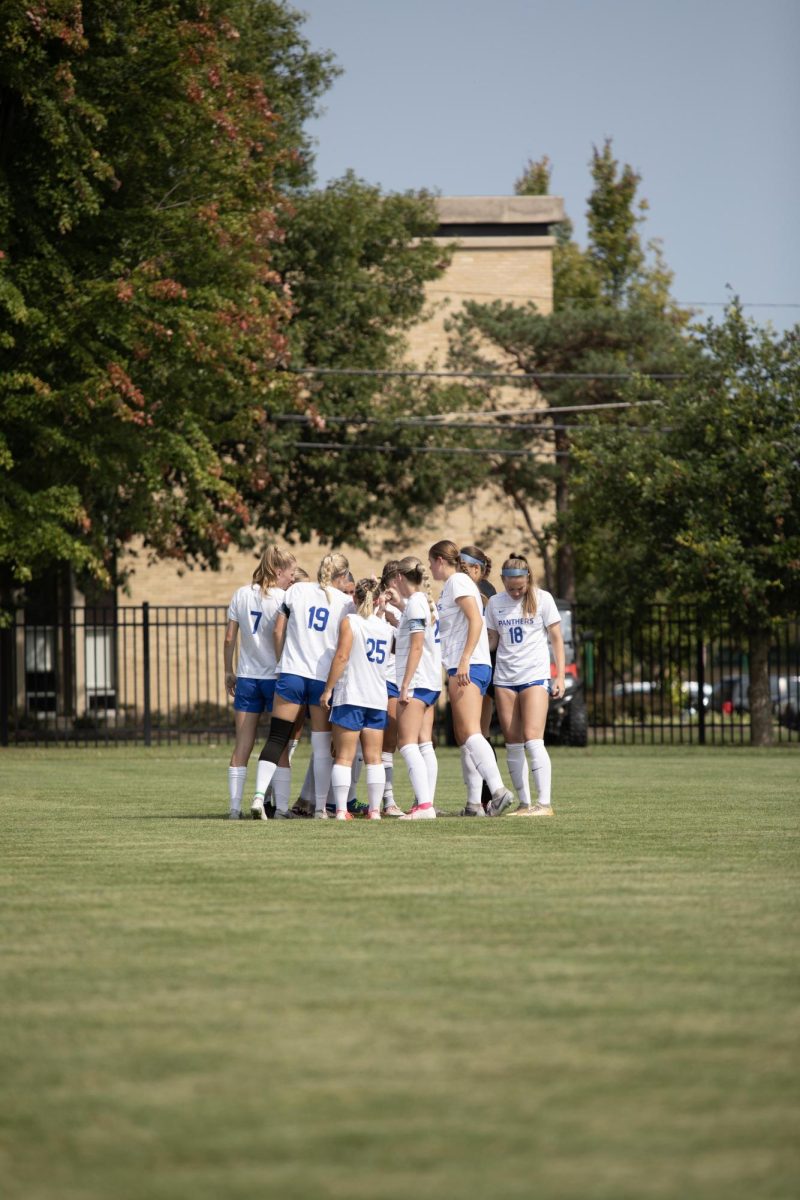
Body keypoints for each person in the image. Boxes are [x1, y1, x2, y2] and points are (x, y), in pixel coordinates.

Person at [250, 551, 353, 820]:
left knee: (276, 737)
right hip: (321, 679)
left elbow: (277, 630)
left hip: (292, 673)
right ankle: (320, 808)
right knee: (321, 747)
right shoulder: (345, 602)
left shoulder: (297, 591)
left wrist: (282, 659)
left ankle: (259, 797)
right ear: (342, 576)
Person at [428, 539, 516, 817]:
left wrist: (464, 658)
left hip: (468, 665)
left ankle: (499, 791)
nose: (430, 567)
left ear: (440, 560)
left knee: (469, 732)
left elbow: (476, 621)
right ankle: (474, 804)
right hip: (460, 665)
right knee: (463, 735)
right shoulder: (452, 587)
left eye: (431, 561)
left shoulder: (458, 583)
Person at [484, 553, 565, 816]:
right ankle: (523, 803)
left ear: (528, 579)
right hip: (505, 679)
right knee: (513, 742)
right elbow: (493, 641)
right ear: (503, 582)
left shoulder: (543, 599)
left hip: (534, 676)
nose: (515, 592)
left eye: (519, 588)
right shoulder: (495, 603)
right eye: (511, 588)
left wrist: (560, 675)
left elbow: (556, 639)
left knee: (533, 738)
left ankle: (544, 804)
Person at [223, 545, 296, 819]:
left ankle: (233, 809)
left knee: (243, 744)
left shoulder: (240, 595)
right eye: (290, 573)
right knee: (279, 744)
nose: (292, 578)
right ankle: (282, 810)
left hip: (247, 678)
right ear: (278, 571)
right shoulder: (284, 598)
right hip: (275, 678)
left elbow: (229, 638)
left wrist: (227, 671)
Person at [320, 577, 389, 820]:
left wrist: (328, 690)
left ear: (354, 598)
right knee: (374, 758)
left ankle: (340, 810)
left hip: (351, 695)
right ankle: (375, 811)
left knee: (344, 757)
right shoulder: (385, 627)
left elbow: (341, 657)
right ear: (379, 599)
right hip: (377, 698)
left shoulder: (351, 622)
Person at [388, 556, 442, 819]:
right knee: (423, 744)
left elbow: (417, 645)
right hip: (429, 682)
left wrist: (406, 683)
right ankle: (425, 803)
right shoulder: (417, 603)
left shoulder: (418, 603)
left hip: (418, 682)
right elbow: (413, 636)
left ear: (399, 577)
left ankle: (424, 806)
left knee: (406, 743)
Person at [460, 544, 496, 810]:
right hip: (479, 664)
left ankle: (486, 797)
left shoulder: (483, 591)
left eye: (463, 566)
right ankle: (478, 800)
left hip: (478, 665)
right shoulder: (467, 586)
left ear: (476, 568)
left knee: (476, 734)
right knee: (474, 734)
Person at [376, 559, 404, 816]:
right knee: (358, 744)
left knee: (389, 742)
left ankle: (388, 800)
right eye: (397, 578)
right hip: (375, 679)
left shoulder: (408, 606)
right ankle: (335, 802)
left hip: (397, 680)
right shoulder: (377, 605)